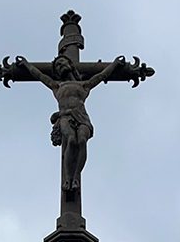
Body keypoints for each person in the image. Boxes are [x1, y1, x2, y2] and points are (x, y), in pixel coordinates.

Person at [15, 54, 124, 191]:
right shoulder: (56, 86)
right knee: (71, 140)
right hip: (65, 117)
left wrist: (114, 64)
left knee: (82, 141)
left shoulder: (85, 85)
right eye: (58, 66)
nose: (61, 67)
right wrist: (26, 64)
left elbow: (102, 75)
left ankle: (76, 176)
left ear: (70, 65)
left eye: (62, 63)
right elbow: (38, 75)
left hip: (82, 117)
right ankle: (68, 177)